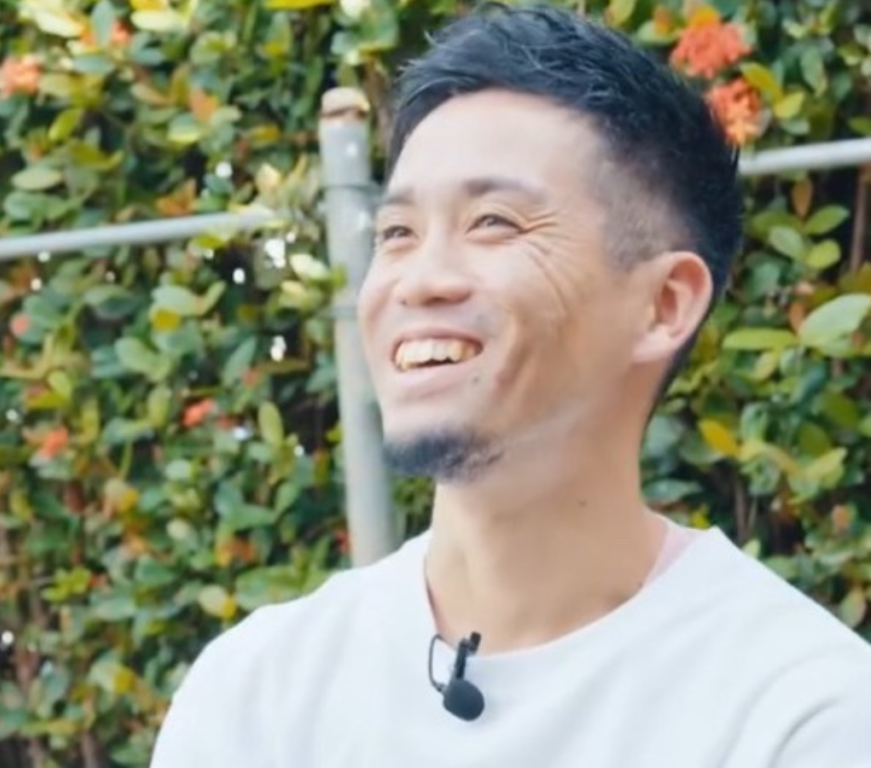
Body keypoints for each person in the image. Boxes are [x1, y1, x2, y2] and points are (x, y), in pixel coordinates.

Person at [150, 3, 871, 766]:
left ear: (663, 305)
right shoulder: (257, 692)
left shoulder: (801, 714)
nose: (419, 280)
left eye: (493, 222)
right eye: (397, 233)